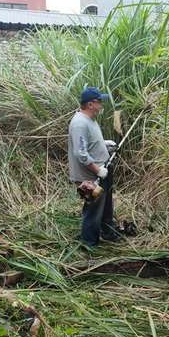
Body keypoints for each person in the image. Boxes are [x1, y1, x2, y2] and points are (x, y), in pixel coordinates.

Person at [68, 87, 120, 247]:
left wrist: (103, 145)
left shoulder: (90, 119)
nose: (102, 104)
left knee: (105, 207)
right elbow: (81, 153)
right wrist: (98, 170)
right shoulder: (79, 124)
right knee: (93, 210)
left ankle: (107, 233)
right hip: (91, 175)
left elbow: (88, 143)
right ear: (90, 104)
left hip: (103, 168)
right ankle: (89, 243)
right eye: (99, 101)